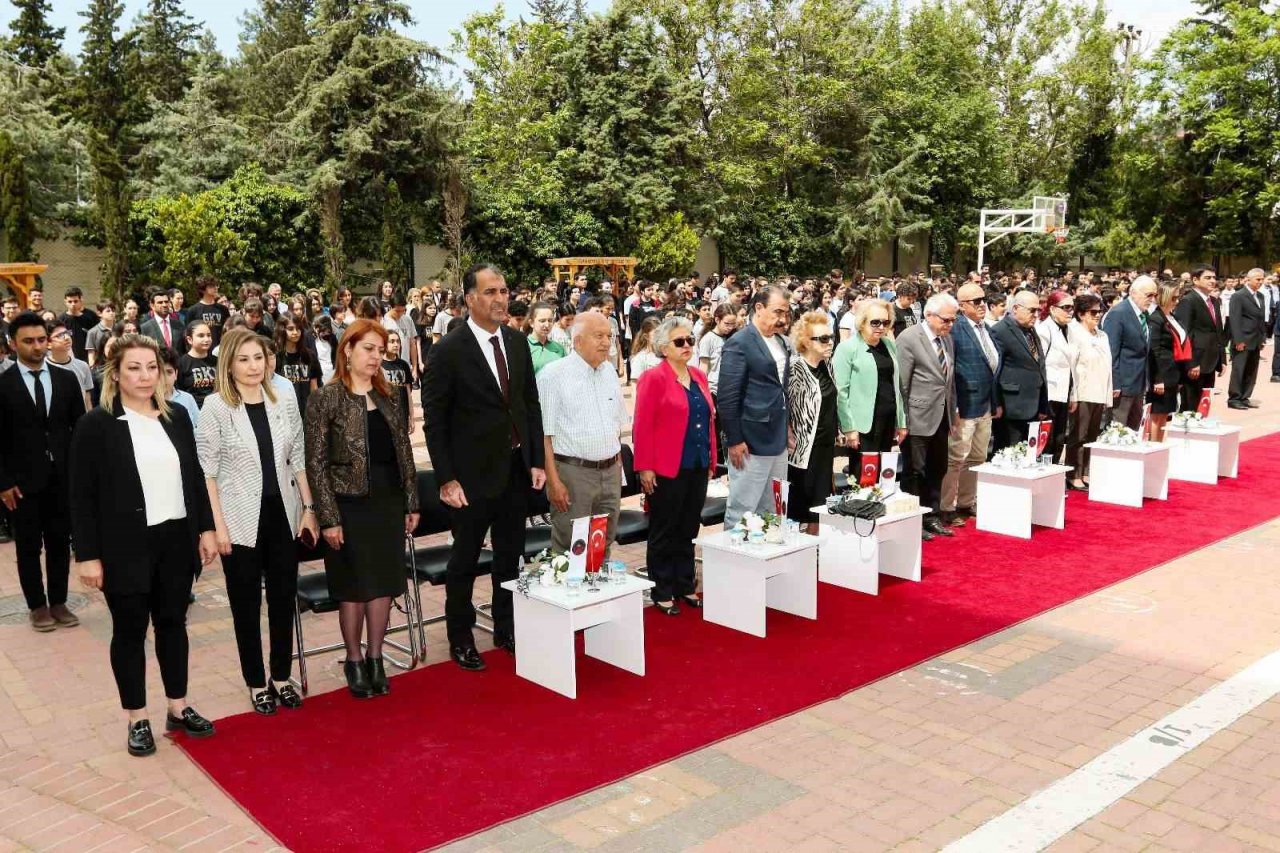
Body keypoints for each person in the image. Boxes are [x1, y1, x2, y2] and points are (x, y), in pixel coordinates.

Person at [69, 334, 219, 757]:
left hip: (175, 540)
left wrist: (205, 530)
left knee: (173, 624)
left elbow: (193, 479)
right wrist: (89, 555)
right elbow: (80, 496)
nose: (144, 375)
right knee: (130, 632)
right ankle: (137, 717)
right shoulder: (96, 425)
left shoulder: (176, 418)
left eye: (151, 367)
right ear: (115, 373)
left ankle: (178, 706)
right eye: (134, 368)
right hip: (124, 547)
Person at [422, 264, 545, 671]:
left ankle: (507, 627)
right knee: (465, 561)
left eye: (504, 291)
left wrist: (536, 461)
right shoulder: (448, 350)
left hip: (513, 471)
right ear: (470, 298)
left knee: (510, 556)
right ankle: (461, 636)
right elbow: (435, 421)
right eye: (490, 292)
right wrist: (446, 478)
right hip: (469, 479)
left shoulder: (516, 341)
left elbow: (529, 404)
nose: (500, 299)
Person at [198, 329, 318, 714]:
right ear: (229, 364)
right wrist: (217, 527)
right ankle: (255, 681)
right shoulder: (215, 407)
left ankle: (281, 677)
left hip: (283, 514)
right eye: (244, 359)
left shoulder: (282, 398)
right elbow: (207, 472)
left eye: (260, 358)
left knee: (284, 599)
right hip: (238, 519)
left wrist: (310, 510)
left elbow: (298, 456)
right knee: (245, 605)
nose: (254, 366)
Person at [306, 319, 419, 697]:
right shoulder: (326, 398)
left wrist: (411, 501)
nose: (376, 357)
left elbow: (404, 452)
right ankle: (354, 660)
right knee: (353, 587)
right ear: (348, 350)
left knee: (384, 583)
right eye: (368, 348)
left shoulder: (391, 394)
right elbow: (315, 464)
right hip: (346, 505)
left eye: (381, 350)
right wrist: (328, 517)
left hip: (387, 502)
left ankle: (375, 657)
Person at [0, 312, 85, 631]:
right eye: (28, 341)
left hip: (62, 478)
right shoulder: (4, 385)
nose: (37, 347)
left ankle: (60, 602)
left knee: (60, 542)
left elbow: (80, 428)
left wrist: (81, 474)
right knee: (28, 546)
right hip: (21, 483)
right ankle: (37, 605)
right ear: (13, 344)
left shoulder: (66, 379)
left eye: (41, 340)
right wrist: (4, 482)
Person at [633, 316, 716, 615]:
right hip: (666, 467)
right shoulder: (653, 378)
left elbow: (708, 420)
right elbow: (642, 425)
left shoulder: (698, 376)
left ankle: (685, 584)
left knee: (688, 527)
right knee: (664, 529)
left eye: (690, 340)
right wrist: (644, 467)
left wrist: (711, 459)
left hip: (697, 464)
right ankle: (662, 588)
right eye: (679, 341)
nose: (687, 346)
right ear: (663, 347)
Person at [537, 311, 628, 558]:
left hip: (609, 472)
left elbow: (616, 425)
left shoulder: (609, 371)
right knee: (572, 548)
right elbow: (544, 435)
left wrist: (617, 468)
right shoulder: (553, 375)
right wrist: (554, 483)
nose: (606, 342)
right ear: (577, 341)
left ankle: (600, 593)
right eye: (598, 336)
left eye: (609, 336)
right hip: (573, 474)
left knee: (603, 542)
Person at [717, 286, 792, 530]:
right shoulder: (739, 342)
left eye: (786, 313)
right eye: (777, 312)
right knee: (743, 508)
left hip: (777, 437)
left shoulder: (780, 341)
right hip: (750, 440)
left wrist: (787, 426)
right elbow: (728, 397)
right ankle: (734, 563)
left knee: (772, 506)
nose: (782, 319)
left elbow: (781, 388)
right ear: (758, 308)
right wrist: (734, 440)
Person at [896, 295, 959, 541]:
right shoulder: (909, 338)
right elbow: (902, 383)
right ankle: (913, 519)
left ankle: (931, 516)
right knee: (915, 470)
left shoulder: (947, 339)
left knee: (938, 467)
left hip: (942, 416)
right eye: (946, 319)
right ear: (929, 315)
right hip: (917, 417)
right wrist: (903, 420)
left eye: (954, 319)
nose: (950, 324)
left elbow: (949, 380)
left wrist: (953, 412)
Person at [941, 283, 1000, 526]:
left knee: (978, 457)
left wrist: (995, 402)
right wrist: (953, 406)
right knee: (956, 458)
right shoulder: (956, 329)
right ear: (962, 306)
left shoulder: (985, 328)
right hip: (964, 405)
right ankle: (946, 507)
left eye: (983, 299)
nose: (982, 305)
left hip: (985, 403)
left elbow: (991, 366)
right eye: (976, 301)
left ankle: (966, 501)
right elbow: (951, 371)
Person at [833, 299, 907, 485]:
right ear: (862, 322)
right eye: (875, 322)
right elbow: (841, 392)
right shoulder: (847, 348)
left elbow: (896, 386)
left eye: (886, 322)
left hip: (888, 420)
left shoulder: (889, 345)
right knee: (864, 476)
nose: (881, 327)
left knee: (884, 473)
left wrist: (901, 421)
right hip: (863, 425)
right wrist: (849, 428)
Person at [785, 311, 838, 533]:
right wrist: (787, 430)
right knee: (800, 501)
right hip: (803, 448)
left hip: (825, 444)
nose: (830, 343)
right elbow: (784, 402)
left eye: (831, 337)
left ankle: (815, 546)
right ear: (806, 341)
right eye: (824, 338)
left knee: (820, 500)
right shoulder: (795, 368)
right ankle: (797, 547)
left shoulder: (828, 365)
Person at [991, 290, 1051, 450]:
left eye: (1038, 310)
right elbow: (995, 371)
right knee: (1009, 452)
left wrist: (1042, 402)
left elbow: (1039, 366)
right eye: (1032, 310)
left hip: (1033, 403)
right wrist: (996, 403)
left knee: (1028, 453)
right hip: (1011, 406)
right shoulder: (1000, 331)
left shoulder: (1030, 330)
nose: (1036, 314)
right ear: (1016, 308)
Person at [1065, 294, 1112, 490]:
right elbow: (1072, 364)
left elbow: (1108, 365)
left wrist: (1108, 393)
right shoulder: (1074, 332)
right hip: (1083, 390)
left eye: (1100, 311)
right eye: (1093, 312)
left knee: (1093, 434)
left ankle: (1086, 471)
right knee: (1079, 434)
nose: (1098, 315)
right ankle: (1073, 473)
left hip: (1099, 390)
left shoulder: (1102, 335)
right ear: (1081, 314)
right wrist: (1073, 394)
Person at [1102, 275, 1155, 429]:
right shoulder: (1118, 313)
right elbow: (1111, 352)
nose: (1152, 299)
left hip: (1139, 383)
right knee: (1118, 429)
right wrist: (1115, 383)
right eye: (1148, 295)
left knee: (1134, 429)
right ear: (1133, 292)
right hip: (1123, 385)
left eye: (1154, 295)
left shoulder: (1144, 314)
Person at [1173, 265, 1225, 413]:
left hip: (1211, 360)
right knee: (1190, 406)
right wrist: (1191, 363)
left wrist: (1222, 359)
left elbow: (1218, 332)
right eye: (1207, 278)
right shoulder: (1188, 301)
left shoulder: (1214, 301)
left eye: (1214, 277)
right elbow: (1185, 334)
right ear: (1195, 280)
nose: (1212, 281)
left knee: (1204, 403)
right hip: (1196, 362)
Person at [1035, 291, 1078, 462]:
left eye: (1071, 308)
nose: (1070, 311)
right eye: (1065, 308)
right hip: (1049, 393)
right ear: (1053, 309)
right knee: (1047, 438)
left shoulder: (1070, 330)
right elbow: (1040, 366)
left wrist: (1073, 394)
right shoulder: (1044, 330)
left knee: (1060, 437)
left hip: (1065, 390)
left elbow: (1072, 366)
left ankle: (1054, 477)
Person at [1147, 282, 1190, 440]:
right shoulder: (1156, 319)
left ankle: (1159, 446)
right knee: (1158, 413)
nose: (1177, 301)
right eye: (1173, 298)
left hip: (1174, 371)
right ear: (1164, 297)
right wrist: (1158, 379)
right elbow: (1155, 350)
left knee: (1165, 413)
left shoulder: (1173, 317)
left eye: (1178, 297)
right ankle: (1154, 444)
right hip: (1162, 373)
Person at [1227, 268, 1267, 410]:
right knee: (1239, 369)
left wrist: (1263, 337)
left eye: (1262, 279)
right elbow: (1235, 319)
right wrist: (1238, 340)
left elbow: (1260, 319)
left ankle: (1245, 396)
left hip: (1255, 339)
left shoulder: (1260, 296)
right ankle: (1234, 398)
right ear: (1248, 279)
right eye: (1258, 279)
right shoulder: (1239, 296)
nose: (1260, 282)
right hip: (1243, 339)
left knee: (1251, 370)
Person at [274, 314, 322, 414]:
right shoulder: (276, 356)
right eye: (291, 329)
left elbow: (314, 386)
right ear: (282, 330)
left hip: (306, 410)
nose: (295, 332)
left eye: (298, 329)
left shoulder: (309, 355)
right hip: (284, 412)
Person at [45, 318, 94, 412]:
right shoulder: (42, 368)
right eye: (59, 336)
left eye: (67, 333)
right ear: (48, 344)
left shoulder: (83, 366)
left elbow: (87, 400)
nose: (66, 337)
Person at [176, 321, 218, 407]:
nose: (206, 339)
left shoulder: (217, 361)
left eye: (209, 335)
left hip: (217, 408)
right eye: (201, 336)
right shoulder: (181, 363)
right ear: (189, 339)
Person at [381, 330, 415, 433]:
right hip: (385, 416)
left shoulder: (404, 365)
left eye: (398, 341)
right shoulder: (378, 365)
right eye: (392, 341)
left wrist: (411, 417)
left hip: (402, 414)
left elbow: (408, 393)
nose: (396, 344)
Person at [159, 346, 201, 427]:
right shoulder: (147, 402)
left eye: (169, 372)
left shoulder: (187, 398)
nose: (164, 378)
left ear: (176, 374)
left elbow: (200, 428)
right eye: (159, 373)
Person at [60, 286, 100, 363]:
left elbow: (97, 338)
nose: (73, 304)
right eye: (70, 302)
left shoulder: (90, 317)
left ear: (81, 300)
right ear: (65, 302)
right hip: (69, 360)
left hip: (88, 359)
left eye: (75, 301)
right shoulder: (61, 320)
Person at [188, 276, 230, 348]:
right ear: (202, 289)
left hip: (221, 349)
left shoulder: (223, 309)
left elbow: (228, 330)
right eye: (211, 286)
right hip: (201, 351)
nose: (216, 288)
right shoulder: (193, 310)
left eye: (216, 285)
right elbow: (189, 333)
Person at [140, 289, 185, 354]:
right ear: (152, 306)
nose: (164, 305)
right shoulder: (145, 328)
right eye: (160, 302)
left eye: (166, 302)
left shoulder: (179, 325)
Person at [527, 301, 567, 374]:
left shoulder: (559, 348)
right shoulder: (523, 347)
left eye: (550, 320)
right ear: (531, 323)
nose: (547, 324)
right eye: (542, 321)